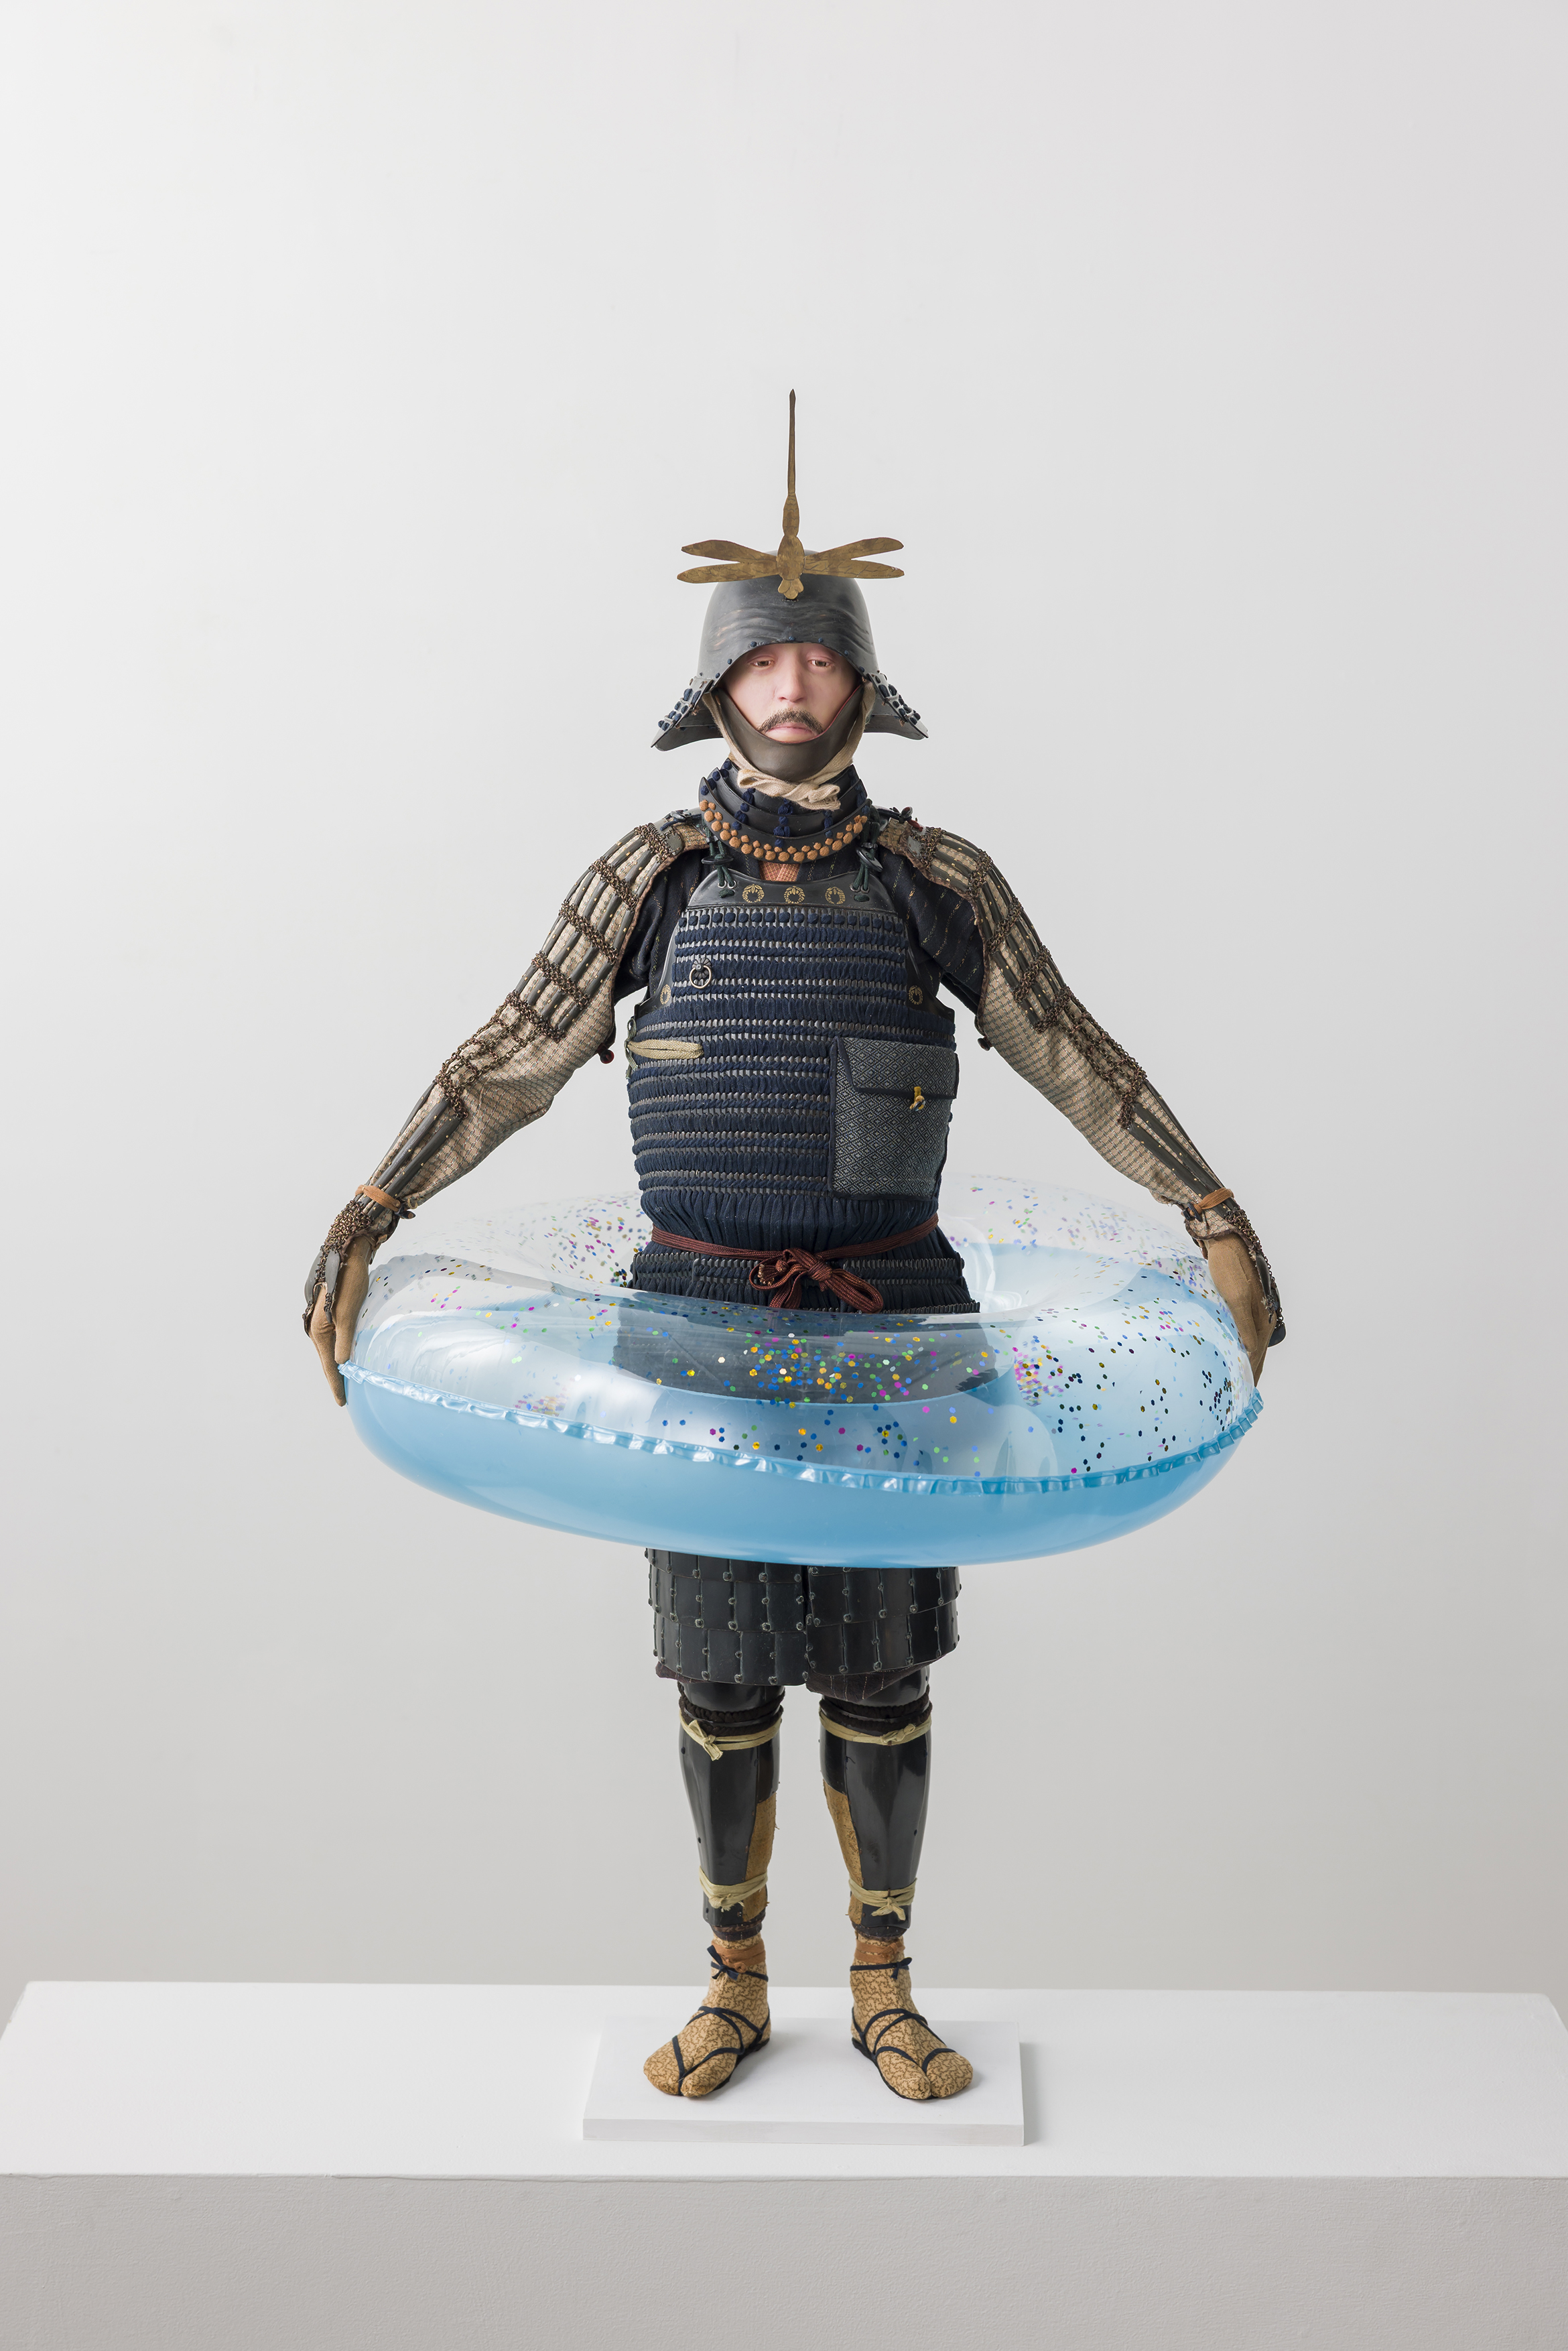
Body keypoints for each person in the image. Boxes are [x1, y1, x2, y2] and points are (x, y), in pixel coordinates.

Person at [304, 398, 1282, 2102]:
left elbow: (1073, 1050)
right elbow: (508, 1058)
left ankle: (886, 1983)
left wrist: (1211, 1211)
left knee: (881, 1670)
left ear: (860, 682)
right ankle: (735, 1981)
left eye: (820, 656)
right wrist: (373, 1206)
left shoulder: (933, 874)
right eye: (765, 658)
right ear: (719, 682)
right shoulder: (648, 875)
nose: (792, 683)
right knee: (724, 1669)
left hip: (899, 1318)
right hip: (690, 1322)